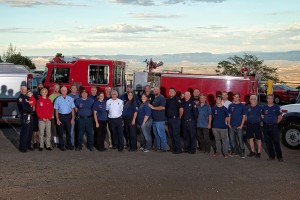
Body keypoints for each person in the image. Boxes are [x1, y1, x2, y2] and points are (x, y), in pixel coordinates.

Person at [261, 94, 283, 162]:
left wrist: (275, 123)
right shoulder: (264, 107)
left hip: (274, 127)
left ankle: (280, 157)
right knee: (268, 142)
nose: (270, 100)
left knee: (276, 142)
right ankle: (272, 156)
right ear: (267, 99)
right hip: (266, 126)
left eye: (271, 98)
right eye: (268, 98)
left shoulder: (276, 107)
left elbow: (280, 117)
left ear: (273, 99)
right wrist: (266, 120)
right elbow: (262, 115)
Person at [54, 86, 75, 151]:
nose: (64, 91)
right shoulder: (58, 99)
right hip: (61, 116)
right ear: (61, 91)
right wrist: (57, 119)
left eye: (65, 90)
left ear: (67, 91)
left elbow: (72, 109)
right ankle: (61, 145)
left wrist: (72, 118)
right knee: (61, 132)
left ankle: (69, 145)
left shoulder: (70, 99)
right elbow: (56, 110)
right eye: (62, 90)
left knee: (69, 132)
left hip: (68, 117)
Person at [228, 92, 246, 158]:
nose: (236, 98)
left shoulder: (242, 106)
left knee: (240, 140)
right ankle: (234, 152)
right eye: (234, 96)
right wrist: (229, 124)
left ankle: (242, 152)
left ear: (239, 98)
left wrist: (241, 125)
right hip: (231, 126)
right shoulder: (231, 105)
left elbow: (244, 116)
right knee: (232, 140)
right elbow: (229, 115)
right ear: (233, 97)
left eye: (237, 96)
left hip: (239, 126)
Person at [148, 87, 167, 152]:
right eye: (154, 90)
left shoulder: (161, 97)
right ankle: (159, 147)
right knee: (156, 134)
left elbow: (162, 107)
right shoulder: (154, 97)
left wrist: (153, 107)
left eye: (156, 90)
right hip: (154, 119)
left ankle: (163, 148)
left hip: (160, 119)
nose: (155, 91)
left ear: (159, 91)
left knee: (161, 134)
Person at [166, 88, 183, 154]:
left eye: (172, 91)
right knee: (171, 135)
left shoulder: (177, 99)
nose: (171, 92)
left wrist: (179, 117)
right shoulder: (168, 100)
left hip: (175, 119)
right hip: (169, 119)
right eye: (170, 91)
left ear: (175, 92)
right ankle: (173, 148)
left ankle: (179, 149)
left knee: (176, 135)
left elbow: (181, 109)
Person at [17, 86, 34, 152]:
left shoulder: (27, 97)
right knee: (24, 132)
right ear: (21, 90)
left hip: (30, 116)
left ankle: (28, 145)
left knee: (29, 132)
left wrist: (31, 107)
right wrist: (31, 108)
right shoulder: (20, 98)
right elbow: (23, 108)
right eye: (23, 89)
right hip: (24, 116)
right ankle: (22, 147)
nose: (25, 91)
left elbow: (32, 104)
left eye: (26, 90)